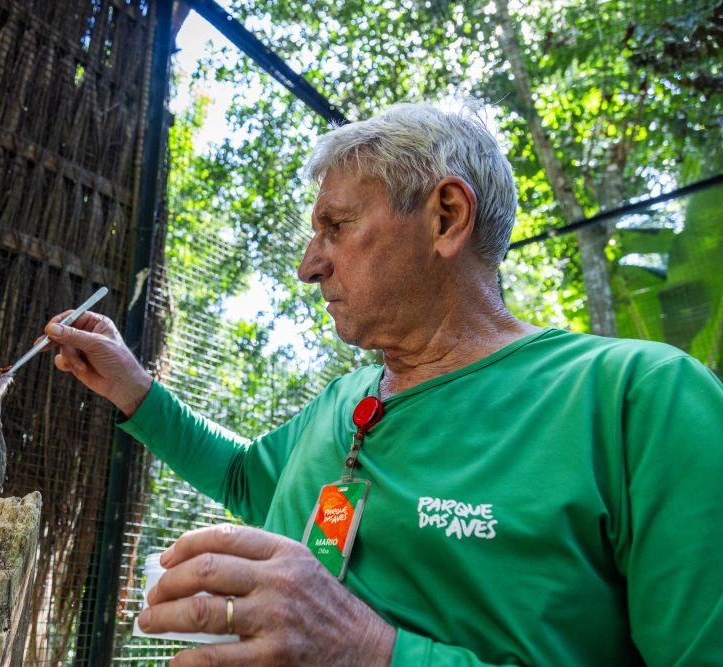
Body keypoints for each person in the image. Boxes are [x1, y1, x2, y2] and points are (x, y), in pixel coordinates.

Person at [42, 103, 723, 666]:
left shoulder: (639, 401)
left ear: (447, 216)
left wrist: (371, 650)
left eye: (336, 226)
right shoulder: (346, 400)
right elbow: (250, 477)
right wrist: (135, 391)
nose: (309, 267)